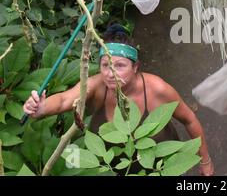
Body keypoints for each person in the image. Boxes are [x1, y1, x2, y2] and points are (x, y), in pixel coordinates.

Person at [23, 24, 214, 176]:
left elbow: (189, 119)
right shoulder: (96, 86)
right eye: (105, 65)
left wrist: (205, 161)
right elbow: (65, 100)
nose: (110, 73)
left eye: (120, 65)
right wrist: (41, 107)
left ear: (135, 67)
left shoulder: (157, 89)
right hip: (115, 169)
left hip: (161, 166)